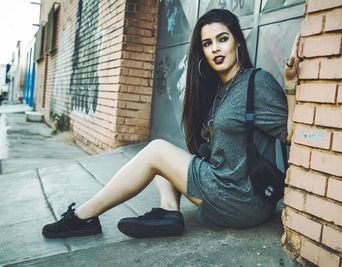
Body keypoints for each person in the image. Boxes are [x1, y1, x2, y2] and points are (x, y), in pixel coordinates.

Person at [42, 9, 299, 239]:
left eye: (223, 39)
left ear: (237, 43)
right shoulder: (220, 89)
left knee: (157, 151)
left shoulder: (257, 82)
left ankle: (83, 216)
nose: (215, 49)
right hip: (230, 190)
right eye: (207, 44)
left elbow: (291, 134)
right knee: (166, 162)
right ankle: (169, 212)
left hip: (244, 198)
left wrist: (289, 85)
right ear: (202, 53)